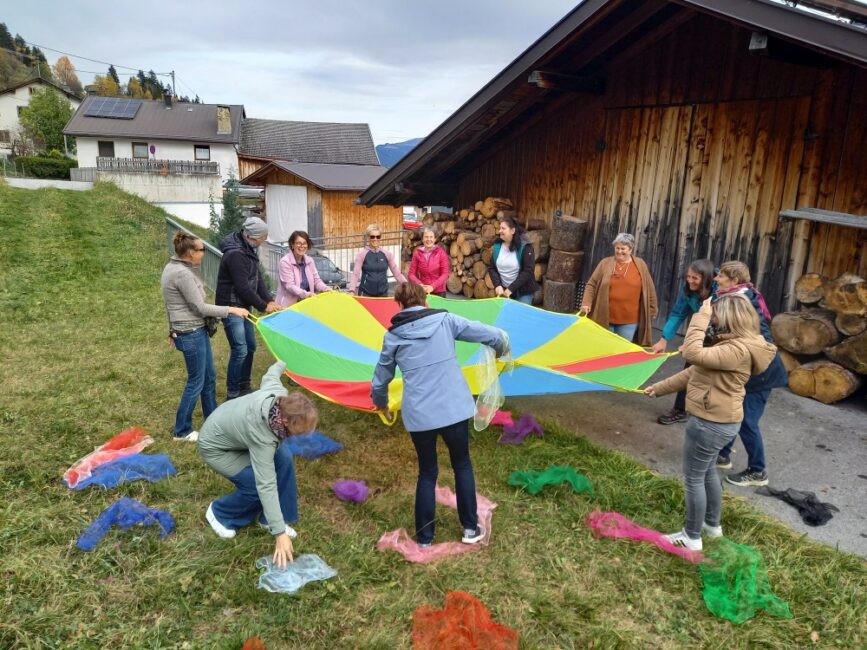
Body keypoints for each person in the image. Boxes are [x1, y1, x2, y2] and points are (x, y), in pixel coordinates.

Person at [371, 282, 509, 547]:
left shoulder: (393, 337)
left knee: (427, 472)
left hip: (420, 416)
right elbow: (486, 333)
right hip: (453, 409)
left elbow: (380, 380)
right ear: (425, 300)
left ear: (399, 305)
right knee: (462, 464)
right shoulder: (446, 320)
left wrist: (381, 403)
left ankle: (425, 538)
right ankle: (470, 528)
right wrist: (501, 346)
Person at [645, 294, 776, 550]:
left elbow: (693, 353)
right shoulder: (735, 345)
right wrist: (659, 388)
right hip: (720, 421)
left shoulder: (736, 350)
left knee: (693, 478)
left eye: (715, 315)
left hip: (709, 423)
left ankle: (691, 536)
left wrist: (699, 316)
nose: (712, 319)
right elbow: (695, 372)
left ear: (728, 319)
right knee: (706, 472)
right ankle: (711, 526)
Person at [198, 361, 318, 569]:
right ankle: (220, 513)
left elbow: (270, 375)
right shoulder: (263, 437)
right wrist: (280, 535)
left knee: (285, 458)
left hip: (236, 435)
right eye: (300, 430)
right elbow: (266, 484)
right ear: (286, 422)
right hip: (216, 448)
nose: (303, 434)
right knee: (255, 486)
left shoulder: (279, 396)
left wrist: (283, 361)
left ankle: (270, 519)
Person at [161, 232, 249, 442]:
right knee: (197, 381)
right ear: (190, 252)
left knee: (208, 378)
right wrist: (232, 310)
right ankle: (182, 430)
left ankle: (213, 420)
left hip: (191, 331)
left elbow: (172, 304)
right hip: (190, 333)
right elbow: (199, 307)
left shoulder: (176, 268)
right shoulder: (181, 274)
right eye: (202, 250)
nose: (204, 253)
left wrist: (171, 329)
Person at [713, 261, 789, 487]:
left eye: (721, 276)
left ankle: (758, 471)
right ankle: (723, 454)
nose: (717, 279)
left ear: (734, 281)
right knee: (734, 410)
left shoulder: (741, 301)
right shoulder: (738, 296)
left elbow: (760, 343)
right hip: (749, 368)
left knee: (747, 421)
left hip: (761, 371)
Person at [215, 217, 279, 400]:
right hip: (232, 306)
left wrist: (269, 299)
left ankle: (244, 386)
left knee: (250, 346)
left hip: (244, 306)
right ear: (253, 236)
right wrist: (263, 305)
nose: (264, 240)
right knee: (240, 348)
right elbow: (243, 287)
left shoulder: (249, 249)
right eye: (263, 237)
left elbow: (256, 279)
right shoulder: (236, 254)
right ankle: (233, 393)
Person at [651, 259, 717, 425]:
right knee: (689, 371)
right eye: (688, 277)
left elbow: (720, 323)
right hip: (700, 335)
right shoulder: (689, 290)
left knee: (716, 375)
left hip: (721, 338)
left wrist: (695, 341)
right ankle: (680, 410)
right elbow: (678, 313)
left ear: (707, 278)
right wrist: (664, 339)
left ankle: (713, 414)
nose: (690, 281)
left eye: (695, 278)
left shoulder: (720, 292)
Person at [581, 233, 658, 345]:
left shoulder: (640, 265)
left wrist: (652, 308)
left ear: (630, 249)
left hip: (629, 320)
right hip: (604, 317)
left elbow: (649, 288)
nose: (619, 251)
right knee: (602, 347)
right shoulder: (605, 263)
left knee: (621, 349)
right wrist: (586, 303)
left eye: (623, 249)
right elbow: (591, 284)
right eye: (617, 248)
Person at [487, 216, 539, 304]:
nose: (500, 231)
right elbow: (492, 268)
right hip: (503, 291)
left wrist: (511, 289)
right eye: (500, 228)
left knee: (520, 316)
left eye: (503, 228)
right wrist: (498, 285)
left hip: (523, 291)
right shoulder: (497, 246)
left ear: (513, 231)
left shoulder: (526, 247)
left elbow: (528, 271)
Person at [275, 230, 331, 307]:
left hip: (307, 304)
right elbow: (290, 286)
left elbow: (316, 281)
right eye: (298, 243)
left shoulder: (309, 261)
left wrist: (326, 289)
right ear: (292, 245)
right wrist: (306, 294)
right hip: (289, 306)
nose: (302, 246)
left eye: (304, 243)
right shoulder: (285, 262)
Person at [348, 224, 406, 296]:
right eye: (372, 237)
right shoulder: (362, 254)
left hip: (383, 294)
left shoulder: (387, 254)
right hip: (366, 293)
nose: (375, 239)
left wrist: (407, 285)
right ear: (368, 237)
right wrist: (351, 290)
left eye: (378, 237)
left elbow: (397, 273)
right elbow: (355, 274)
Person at [408, 227, 450, 297]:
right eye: (426, 237)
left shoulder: (441, 253)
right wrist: (420, 285)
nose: (428, 239)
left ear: (435, 239)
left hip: (439, 292)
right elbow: (411, 274)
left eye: (431, 237)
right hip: (422, 290)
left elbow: (445, 274)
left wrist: (433, 286)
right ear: (422, 239)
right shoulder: (417, 254)